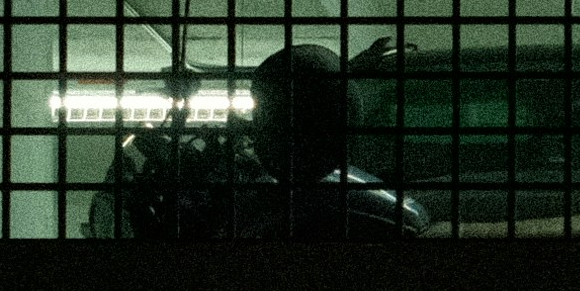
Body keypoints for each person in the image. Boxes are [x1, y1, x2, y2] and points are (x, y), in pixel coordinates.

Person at [126, 44, 427, 241]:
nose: (249, 124)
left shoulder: (274, 217)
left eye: (261, 113)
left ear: (287, 129)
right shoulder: (351, 193)